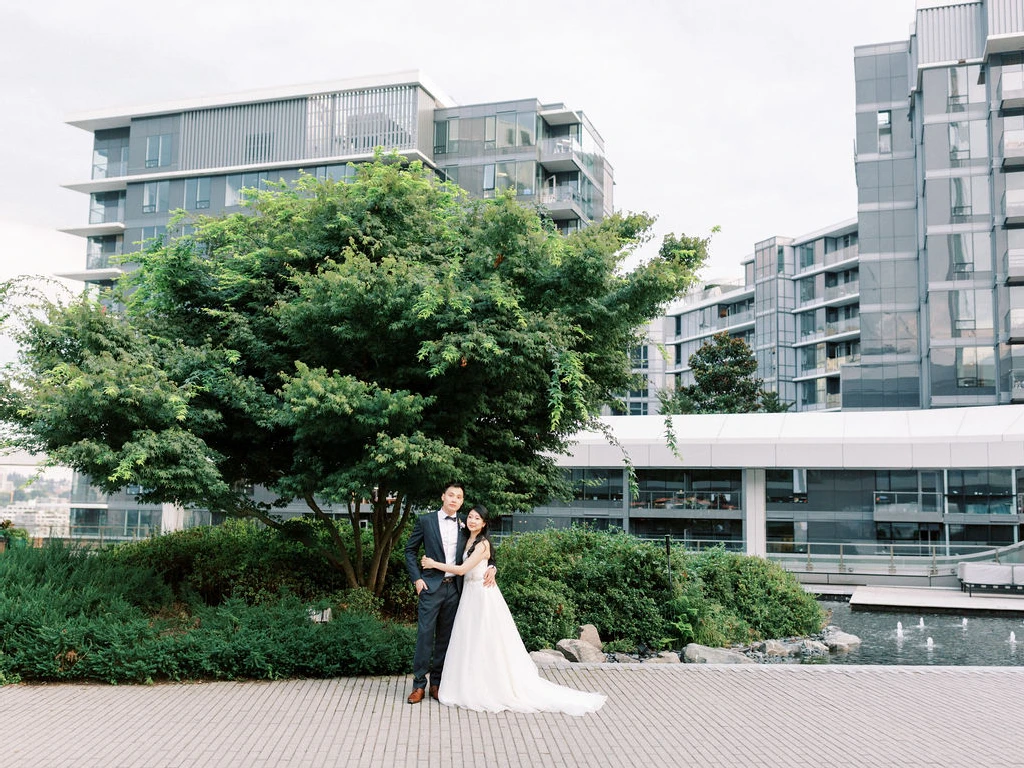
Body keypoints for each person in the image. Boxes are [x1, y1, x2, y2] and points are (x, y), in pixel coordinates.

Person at [421, 505, 606, 716]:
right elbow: (480, 561)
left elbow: (463, 569)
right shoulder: (466, 537)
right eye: (470, 517)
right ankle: (469, 682)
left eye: (477, 518)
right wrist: (492, 566)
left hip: (482, 595)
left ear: (484, 523)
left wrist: (433, 563)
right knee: (469, 641)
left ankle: (487, 687)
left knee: (486, 640)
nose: (472, 520)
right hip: (468, 596)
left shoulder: (483, 544)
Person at [403, 482, 495, 704]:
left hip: (456, 589)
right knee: (425, 636)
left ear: (462, 501)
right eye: (451, 495)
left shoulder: (466, 523)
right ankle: (418, 685)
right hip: (431, 587)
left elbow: (484, 547)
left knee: (446, 638)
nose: (454, 499)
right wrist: (417, 578)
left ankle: (437, 684)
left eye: (459, 497)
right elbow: (409, 550)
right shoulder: (425, 521)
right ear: (443, 496)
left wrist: (492, 566)